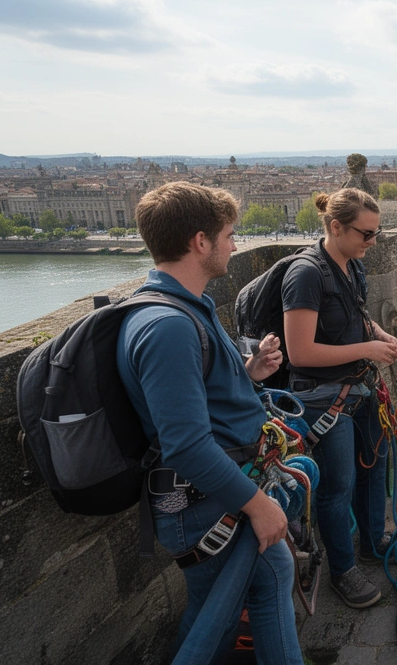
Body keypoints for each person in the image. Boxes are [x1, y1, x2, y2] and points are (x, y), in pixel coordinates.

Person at [116, 182, 302, 665]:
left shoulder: (183, 306)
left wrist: (248, 373)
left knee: (214, 608)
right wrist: (260, 506)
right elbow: (186, 445)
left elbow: (195, 399)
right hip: (205, 502)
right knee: (269, 581)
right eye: (228, 235)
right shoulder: (168, 326)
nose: (235, 245)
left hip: (210, 496)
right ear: (200, 242)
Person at [281, 188, 397, 608]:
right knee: (338, 485)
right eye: (366, 234)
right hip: (322, 398)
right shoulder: (306, 275)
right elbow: (300, 353)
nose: (372, 242)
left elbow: (356, 316)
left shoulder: (351, 266)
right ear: (335, 227)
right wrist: (367, 350)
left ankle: (372, 542)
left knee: (374, 467)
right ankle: (343, 571)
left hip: (359, 388)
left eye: (376, 233)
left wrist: (378, 335)